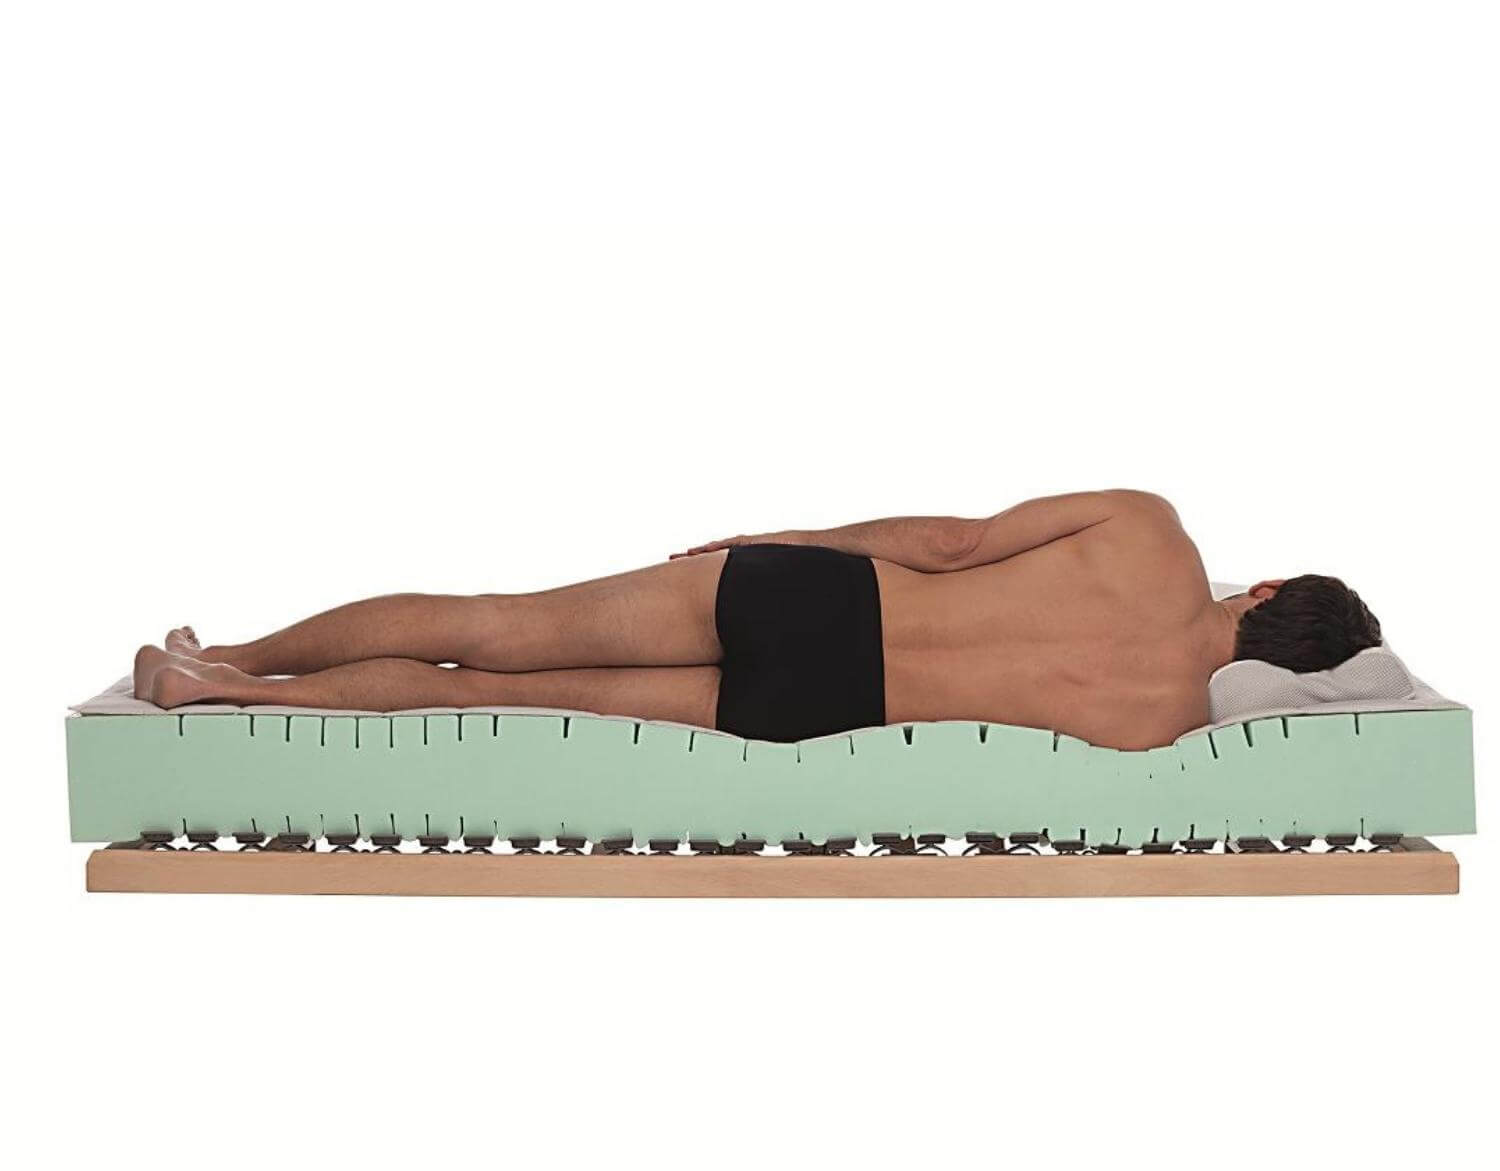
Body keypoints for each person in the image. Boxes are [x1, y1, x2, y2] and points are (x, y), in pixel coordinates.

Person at [132, 488, 1382, 751]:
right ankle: (223, 696)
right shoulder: (1170, 726)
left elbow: (953, 544)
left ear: (1267, 593)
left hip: (824, 596)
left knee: (496, 623)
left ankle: (224, 658)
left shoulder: (1153, 533)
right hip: (831, 707)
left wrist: (785, 541)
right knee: (498, 693)